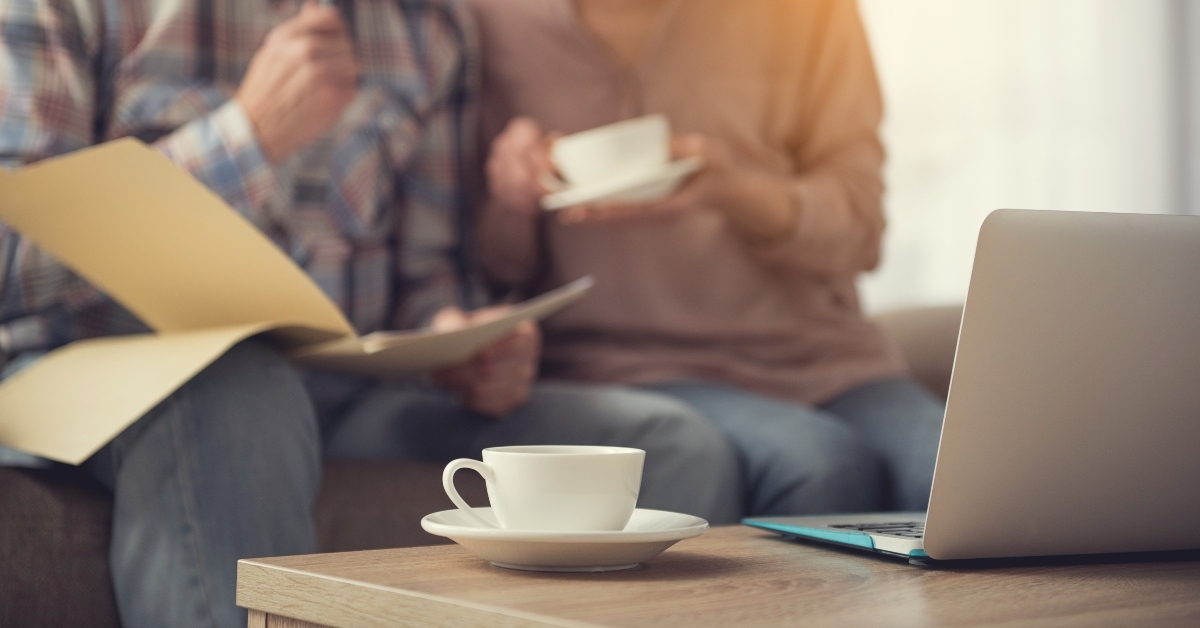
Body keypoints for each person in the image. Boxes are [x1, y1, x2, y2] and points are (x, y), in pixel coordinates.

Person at [0, 1, 740, 626]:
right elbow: (11, 255)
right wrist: (245, 139)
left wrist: (458, 343)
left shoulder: (426, 28)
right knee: (242, 394)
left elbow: (427, 275)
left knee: (676, 447)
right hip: (93, 380)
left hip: (350, 387)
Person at [473, 0, 945, 517]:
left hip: (825, 361)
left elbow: (860, 232)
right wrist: (509, 200)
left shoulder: (814, 13)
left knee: (967, 486)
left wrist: (736, 193)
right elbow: (484, 272)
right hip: (623, 366)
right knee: (821, 464)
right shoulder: (487, 21)